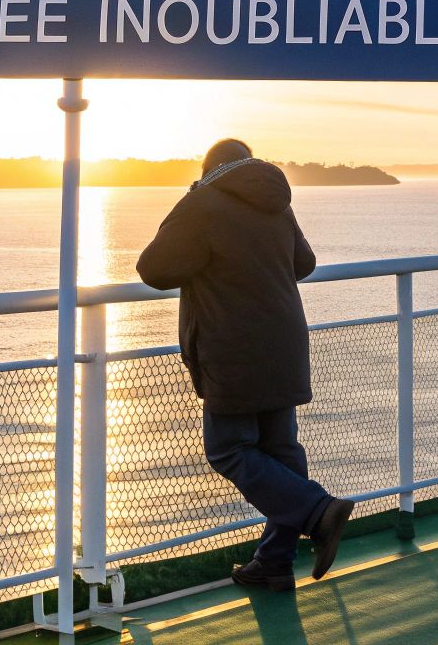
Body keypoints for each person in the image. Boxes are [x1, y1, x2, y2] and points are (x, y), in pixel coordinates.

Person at [136, 138, 354, 591]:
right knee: (281, 453)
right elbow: (305, 263)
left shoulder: (202, 203)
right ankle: (275, 562)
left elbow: (154, 269)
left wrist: (197, 219)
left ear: (208, 169)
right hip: (285, 344)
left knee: (229, 448)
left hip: (234, 350)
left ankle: (319, 510)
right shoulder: (276, 201)